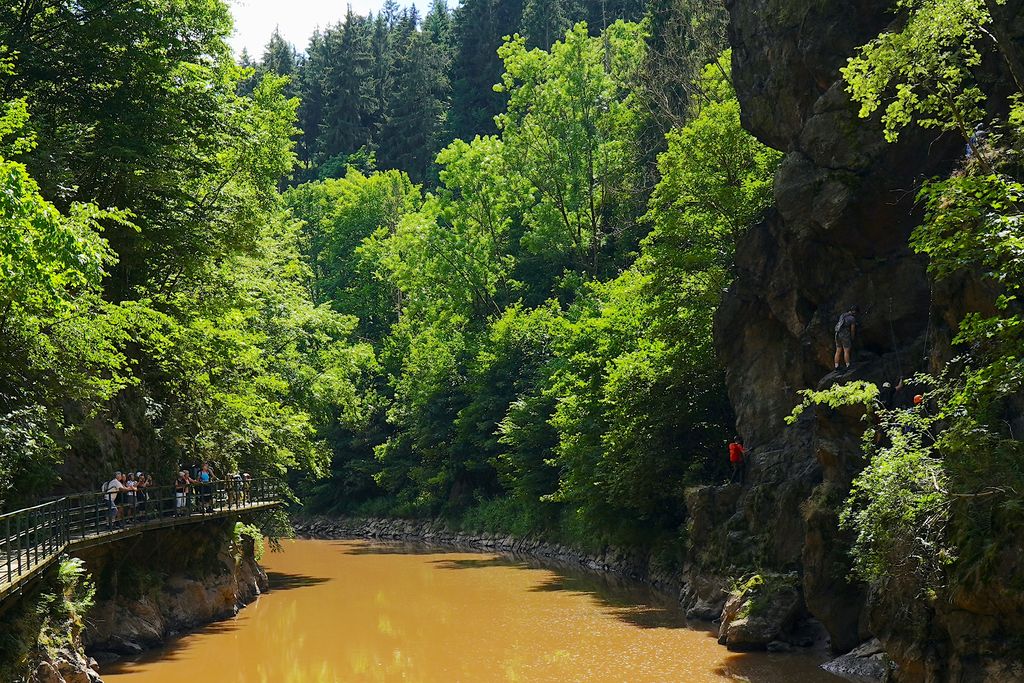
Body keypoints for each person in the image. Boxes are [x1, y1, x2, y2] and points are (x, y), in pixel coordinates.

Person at [834, 305, 859, 371]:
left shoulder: (842, 315)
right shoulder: (852, 318)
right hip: (845, 335)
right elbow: (852, 330)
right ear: (855, 312)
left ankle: (836, 366)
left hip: (837, 334)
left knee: (838, 350)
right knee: (846, 350)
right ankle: (848, 365)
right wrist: (852, 337)